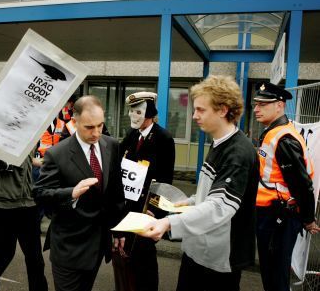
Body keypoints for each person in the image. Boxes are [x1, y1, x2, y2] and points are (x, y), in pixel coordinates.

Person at [138, 76, 259, 291]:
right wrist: (184, 204)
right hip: (199, 251)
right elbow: (209, 195)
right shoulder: (220, 143)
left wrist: (168, 224)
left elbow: (219, 207)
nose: (194, 116)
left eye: (201, 110)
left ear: (222, 110)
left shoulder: (238, 153)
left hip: (218, 260)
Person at [33, 95, 125, 291]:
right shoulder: (57, 154)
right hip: (69, 248)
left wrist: (118, 230)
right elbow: (40, 193)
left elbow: (116, 191)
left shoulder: (112, 146)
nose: (96, 133)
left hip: (98, 245)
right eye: (89, 127)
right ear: (74, 122)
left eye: (100, 125)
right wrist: (71, 193)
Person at [253, 81, 319, 291]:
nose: (256, 109)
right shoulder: (274, 131)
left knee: (275, 275)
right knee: (272, 271)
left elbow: (302, 185)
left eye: (263, 104)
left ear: (280, 105)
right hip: (271, 214)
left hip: (278, 217)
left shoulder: (284, 139)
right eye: (256, 104)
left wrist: (308, 218)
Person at [115, 91, 175, 291]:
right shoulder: (131, 135)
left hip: (146, 210)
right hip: (128, 207)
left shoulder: (163, 138)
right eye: (131, 111)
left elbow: (165, 180)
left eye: (138, 111)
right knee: (125, 255)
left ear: (149, 113)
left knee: (144, 259)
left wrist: (156, 212)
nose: (133, 115)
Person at [0, 155, 48, 291]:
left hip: (29, 204)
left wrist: (36, 161)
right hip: (5, 206)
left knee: (36, 261)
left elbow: (27, 157)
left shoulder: (28, 135)